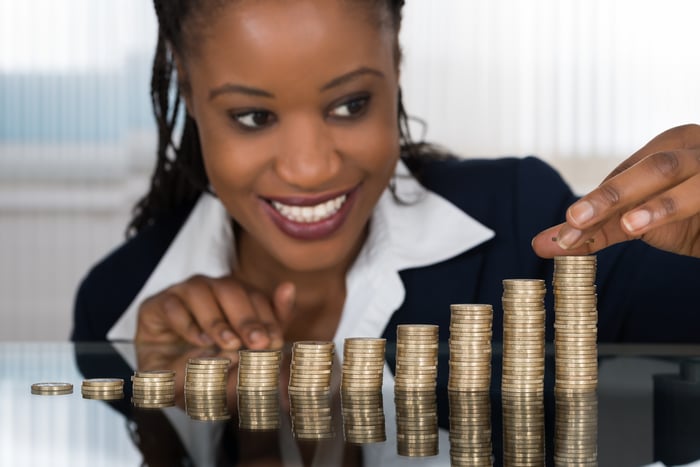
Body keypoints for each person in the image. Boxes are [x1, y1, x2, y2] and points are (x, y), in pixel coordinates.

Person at [72, 0, 700, 349]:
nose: (311, 167)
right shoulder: (116, 306)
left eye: (351, 105)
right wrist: (173, 421)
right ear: (186, 84)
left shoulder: (522, 218)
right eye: (253, 115)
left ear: (394, 61)